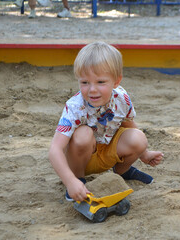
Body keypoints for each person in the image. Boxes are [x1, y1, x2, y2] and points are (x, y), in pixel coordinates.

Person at [48, 42, 164, 202]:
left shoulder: (121, 98)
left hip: (108, 154)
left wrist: (144, 153)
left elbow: (128, 124)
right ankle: (79, 180)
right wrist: (70, 181)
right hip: (82, 159)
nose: (92, 89)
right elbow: (55, 149)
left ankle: (123, 171)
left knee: (138, 138)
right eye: (85, 82)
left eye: (100, 82)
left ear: (116, 82)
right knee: (83, 134)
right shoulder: (74, 107)